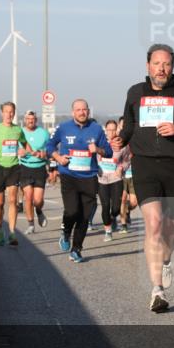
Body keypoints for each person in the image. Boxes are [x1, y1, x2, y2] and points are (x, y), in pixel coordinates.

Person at [113, 43, 174, 314]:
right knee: (154, 225)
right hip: (144, 166)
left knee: (169, 230)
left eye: (167, 64)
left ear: (172, 66)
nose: (162, 68)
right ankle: (157, 290)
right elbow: (130, 127)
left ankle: (166, 260)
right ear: (148, 66)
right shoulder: (135, 92)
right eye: (157, 63)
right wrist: (120, 139)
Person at [46, 99, 113, 263]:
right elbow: (49, 146)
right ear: (72, 112)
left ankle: (76, 249)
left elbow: (109, 152)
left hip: (89, 177)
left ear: (88, 111)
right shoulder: (63, 128)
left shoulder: (97, 129)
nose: (82, 112)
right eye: (78, 110)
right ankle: (66, 232)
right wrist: (58, 157)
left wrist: (97, 149)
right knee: (72, 211)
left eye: (84, 109)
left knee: (84, 216)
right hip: (69, 175)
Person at [0, 101, 32, 247]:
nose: (9, 114)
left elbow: (26, 145)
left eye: (11, 111)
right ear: (2, 113)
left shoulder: (18, 130)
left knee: (13, 200)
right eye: (6, 111)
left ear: (14, 113)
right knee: (0, 202)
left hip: (14, 167)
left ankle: (12, 233)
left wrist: (25, 151)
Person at [18, 110, 51, 233]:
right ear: (25, 120)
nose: (30, 121)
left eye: (32, 119)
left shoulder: (43, 133)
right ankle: (31, 224)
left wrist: (44, 154)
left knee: (38, 200)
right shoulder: (20, 133)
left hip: (39, 168)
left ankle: (39, 210)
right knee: (28, 197)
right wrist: (18, 152)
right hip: (25, 167)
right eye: (28, 119)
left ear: (36, 120)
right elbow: (11, 148)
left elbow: (50, 150)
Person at [97, 120, 126, 241]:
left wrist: (121, 167)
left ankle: (113, 217)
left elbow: (127, 160)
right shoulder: (100, 143)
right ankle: (108, 231)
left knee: (115, 207)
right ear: (106, 130)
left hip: (116, 178)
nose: (111, 132)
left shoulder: (122, 144)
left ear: (117, 130)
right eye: (109, 129)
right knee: (105, 206)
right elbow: (92, 157)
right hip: (102, 178)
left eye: (114, 129)